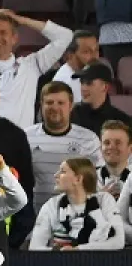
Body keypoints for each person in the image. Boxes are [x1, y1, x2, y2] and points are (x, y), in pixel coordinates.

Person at [28, 82, 106, 210]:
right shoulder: (26, 137)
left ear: (70, 106)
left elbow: (99, 178)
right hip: (35, 215)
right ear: (41, 105)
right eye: (49, 103)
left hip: (78, 216)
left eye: (60, 103)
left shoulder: (88, 139)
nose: (54, 107)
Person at [28, 158, 124, 251]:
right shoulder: (51, 205)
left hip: (98, 264)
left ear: (78, 179)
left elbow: (118, 241)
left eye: (62, 171)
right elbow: (35, 246)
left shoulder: (104, 200)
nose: (55, 175)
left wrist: (78, 250)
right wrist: (59, 252)